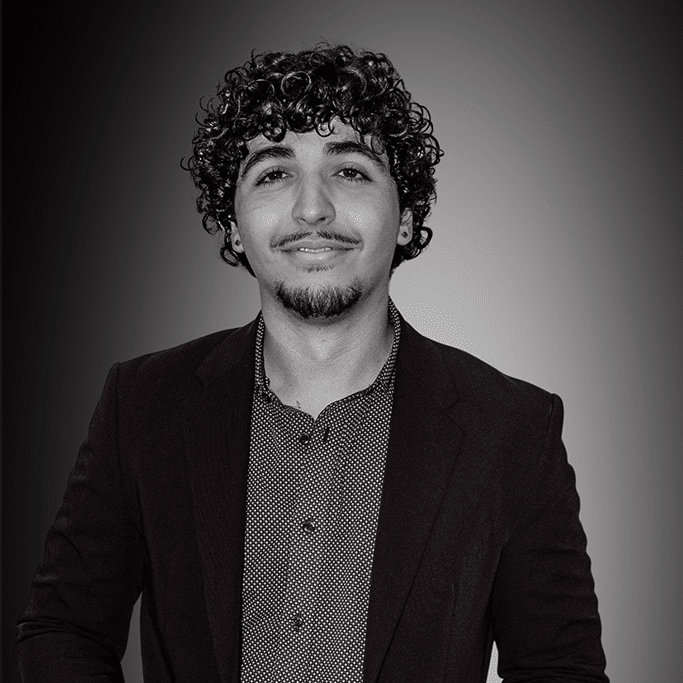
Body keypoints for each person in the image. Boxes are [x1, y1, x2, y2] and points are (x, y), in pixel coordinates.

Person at [15, 44, 609, 682]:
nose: (311, 208)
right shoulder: (142, 405)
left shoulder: (515, 431)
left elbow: (560, 669)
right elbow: (63, 631)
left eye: (350, 170)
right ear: (233, 225)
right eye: (273, 173)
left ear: (405, 217)